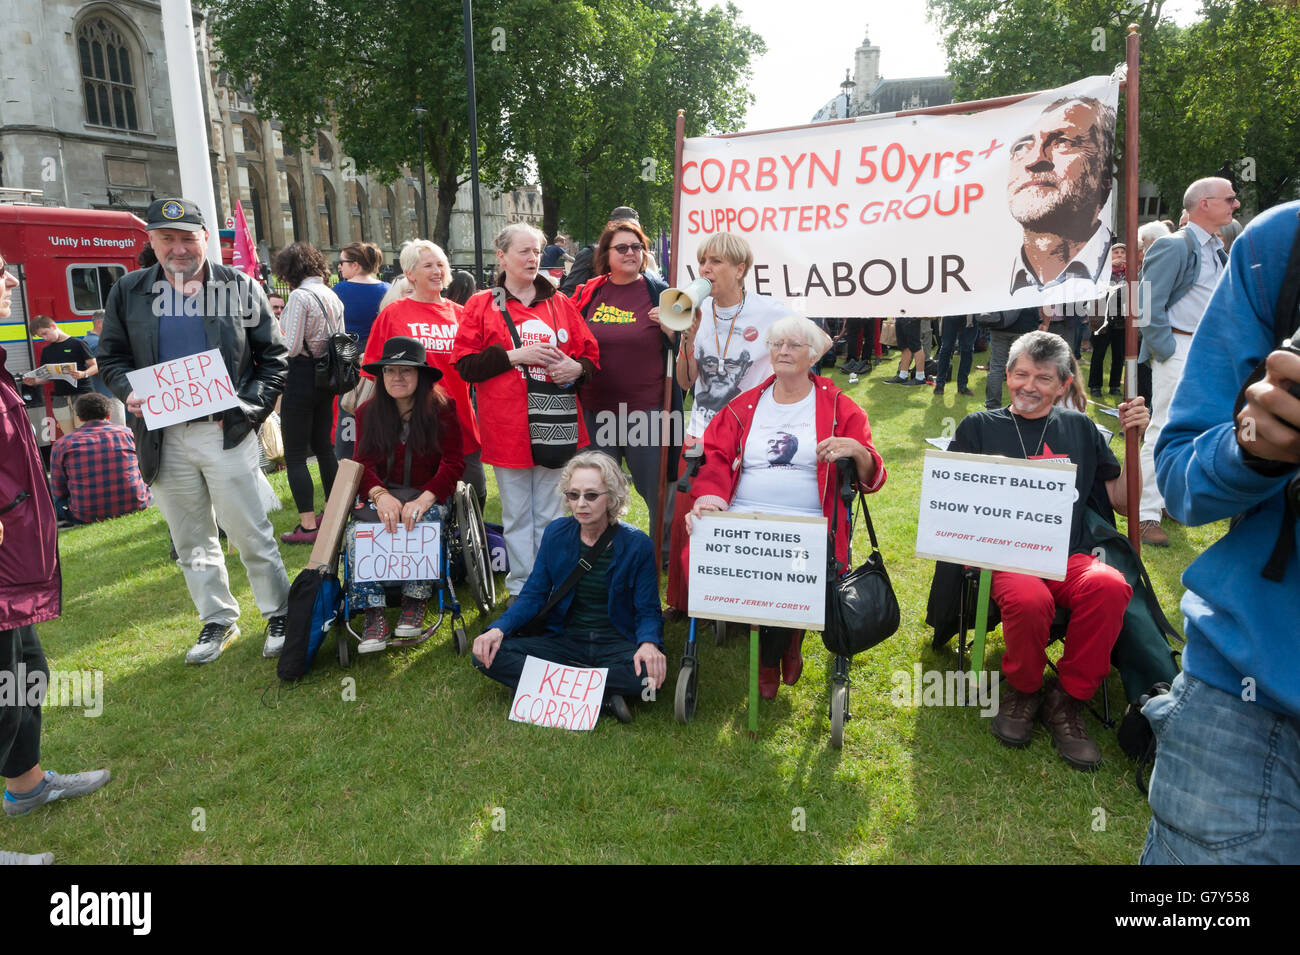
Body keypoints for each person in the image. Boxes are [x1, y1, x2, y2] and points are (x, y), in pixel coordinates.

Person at [1139, 202, 1300, 864]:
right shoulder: (1279, 246)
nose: (1234, 205)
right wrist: (1256, 446)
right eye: (1224, 199)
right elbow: (1182, 473)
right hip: (1249, 701)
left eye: (1237, 198)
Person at [97, 197, 291, 664]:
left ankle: (279, 611)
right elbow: (111, 358)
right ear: (152, 242)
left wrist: (248, 409)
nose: (178, 248)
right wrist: (128, 391)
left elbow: (275, 358)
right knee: (191, 538)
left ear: (206, 238)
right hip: (163, 436)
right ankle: (217, 618)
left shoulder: (239, 286)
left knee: (250, 531)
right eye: (167, 238)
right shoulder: (129, 291)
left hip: (225, 431)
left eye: (188, 238)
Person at [950, 331, 1146, 770]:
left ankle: (1068, 699)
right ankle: (1023, 689)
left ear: (1063, 385)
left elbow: (1119, 499)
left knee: (1110, 587)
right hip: (1006, 555)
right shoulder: (979, 427)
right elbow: (952, 503)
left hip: (1069, 555)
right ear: (1006, 374)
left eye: (1042, 377)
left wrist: (1137, 442)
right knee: (1028, 598)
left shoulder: (1078, 428)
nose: (1029, 386)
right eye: (1020, 374)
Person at [688, 315, 886, 699]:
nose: (783, 351)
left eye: (794, 345)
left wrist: (858, 450)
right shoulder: (745, 405)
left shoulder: (840, 408)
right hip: (745, 512)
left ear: (813, 355)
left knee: (784, 566)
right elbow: (713, 454)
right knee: (733, 558)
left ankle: (777, 648)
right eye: (777, 344)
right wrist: (711, 496)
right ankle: (778, 645)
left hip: (810, 523)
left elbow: (872, 478)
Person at [0, 250, 110, 863]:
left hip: (15, 564)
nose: (12, 281)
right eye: (0, 274)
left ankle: (27, 787)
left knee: (24, 676)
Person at [453, 223, 600, 600]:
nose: (533, 258)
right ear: (501, 257)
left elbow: (590, 354)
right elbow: (465, 364)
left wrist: (576, 368)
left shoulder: (559, 302)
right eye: (525, 251)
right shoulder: (481, 305)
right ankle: (523, 589)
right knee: (518, 515)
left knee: (553, 513)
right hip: (508, 428)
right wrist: (515, 356)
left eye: (537, 251)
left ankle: (552, 586)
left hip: (555, 423)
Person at [472, 451, 664, 724]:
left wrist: (648, 645)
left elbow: (647, 609)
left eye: (591, 495)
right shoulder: (556, 533)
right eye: (573, 495)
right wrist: (498, 629)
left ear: (612, 496)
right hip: (566, 640)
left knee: (650, 683)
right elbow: (534, 595)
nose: (580, 504)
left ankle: (552, 684)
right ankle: (604, 696)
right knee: (484, 655)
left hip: (615, 642)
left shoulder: (638, 544)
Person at [666, 232, 788, 615]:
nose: (706, 269)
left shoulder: (772, 313)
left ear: (740, 269)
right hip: (700, 433)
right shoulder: (692, 312)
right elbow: (686, 382)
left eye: (716, 261)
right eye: (703, 261)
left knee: (737, 520)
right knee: (691, 518)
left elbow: (810, 350)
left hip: (748, 435)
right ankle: (687, 603)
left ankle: (739, 604)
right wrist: (686, 339)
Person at [1135, 177, 1240, 548]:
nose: (1236, 204)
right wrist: (1166, 350)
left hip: (1205, 353)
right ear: (1204, 204)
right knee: (1161, 429)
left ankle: (1166, 502)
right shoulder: (1173, 244)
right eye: (1229, 198)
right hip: (1179, 348)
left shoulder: (1217, 249)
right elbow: (1145, 304)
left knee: (1193, 431)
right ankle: (1145, 515)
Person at [348, 337, 464, 652]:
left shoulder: (442, 409)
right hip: (383, 492)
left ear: (421, 376)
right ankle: (373, 613)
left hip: (426, 492)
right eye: (389, 371)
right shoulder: (366, 413)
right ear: (381, 376)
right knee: (358, 531)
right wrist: (380, 495)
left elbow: (454, 463)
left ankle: (416, 601)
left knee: (425, 521)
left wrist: (424, 498)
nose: (397, 378)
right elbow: (363, 462)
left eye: (405, 371)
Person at [570, 219, 674, 548]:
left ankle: (664, 555)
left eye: (637, 247)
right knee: (597, 489)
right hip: (596, 409)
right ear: (606, 253)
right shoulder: (590, 292)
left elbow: (685, 350)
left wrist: (673, 332)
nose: (631, 253)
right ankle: (598, 550)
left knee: (658, 489)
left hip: (649, 411)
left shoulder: (661, 292)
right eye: (622, 248)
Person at [363, 240, 485, 505]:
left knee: (474, 498)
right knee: (419, 503)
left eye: (440, 265)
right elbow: (375, 374)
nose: (437, 271)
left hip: (460, 421)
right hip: (410, 427)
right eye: (428, 265)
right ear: (409, 274)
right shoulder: (392, 314)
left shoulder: (462, 315)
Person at [1007, 96, 1116, 300]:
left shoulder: (1124, 277)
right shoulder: (988, 275)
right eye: (1021, 147)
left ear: (1105, 177)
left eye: (1063, 143)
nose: (1035, 160)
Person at [273, 241, 345, 545]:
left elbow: (287, 345)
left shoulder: (300, 297)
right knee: (324, 447)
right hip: (328, 374)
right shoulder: (332, 294)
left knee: (295, 454)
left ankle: (307, 524)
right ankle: (331, 513)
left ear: (289, 271)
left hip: (302, 374)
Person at [49, 393, 150, 525]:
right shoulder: (127, 433)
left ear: (79, 417)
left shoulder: (63, 444)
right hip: (135, 504)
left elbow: (58, 488)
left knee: (56, 501)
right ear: (108, 415)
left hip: (84, 514)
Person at [22, 314, 95, 435]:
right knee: (69, 435)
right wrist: (35, 381)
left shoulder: (78, 343)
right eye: (41, 336)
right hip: (60, 398)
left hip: (82, 394)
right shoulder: (47, 350)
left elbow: (95, 365)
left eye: (45, 333)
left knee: (85, 433)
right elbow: (48, 376)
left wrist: (83, 374)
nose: (45, 338)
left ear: (53, 325)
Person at [559, 205, 640, 295]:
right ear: (610, 225)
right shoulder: (589, 255)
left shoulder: (640, 257)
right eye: (622, 227)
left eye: (634, 228)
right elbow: (569, 293)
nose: (629, 231)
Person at [1088, 243, 1128, 398]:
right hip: (1102, 318)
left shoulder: (1130, 272)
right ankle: (1095, 386)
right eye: (1115, 252)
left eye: (1122, 252)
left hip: (1121, 318)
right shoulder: (1102, 271)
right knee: (1099, 353)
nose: (1119, 255)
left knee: (1119, 355)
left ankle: (1115, 385)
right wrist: (1109, 266)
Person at [331, 241, 389, 346]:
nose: (339, 266)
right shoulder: (388, 289)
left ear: (355, 265)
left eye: (341, 262)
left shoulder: (339, 290)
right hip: (379, 350)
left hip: (348, 352)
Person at [983, 306, 1041, 410]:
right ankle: (1020, 405)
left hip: (999, 324)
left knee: (996, 368)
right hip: (1024, 326)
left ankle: (992, 406)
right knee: (1022, 369)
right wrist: (1045, 322)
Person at [82, 310, 127, 425]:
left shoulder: (85, 341)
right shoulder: (99, 343)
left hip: (96, 393)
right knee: (118, 429)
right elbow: (107, 368)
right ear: (99, 323)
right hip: (109, 393)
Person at [933, 313, 976, 397]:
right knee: (946, 348)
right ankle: (940, 384)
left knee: (967, 349)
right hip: (951, 313)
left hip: (969, 314)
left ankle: (962, 385)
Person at [888, 315, 928, 385]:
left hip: (912, 314)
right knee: (904, 346)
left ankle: (920, 377)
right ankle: (903, 375)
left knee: (915, 345)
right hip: (901, 314)